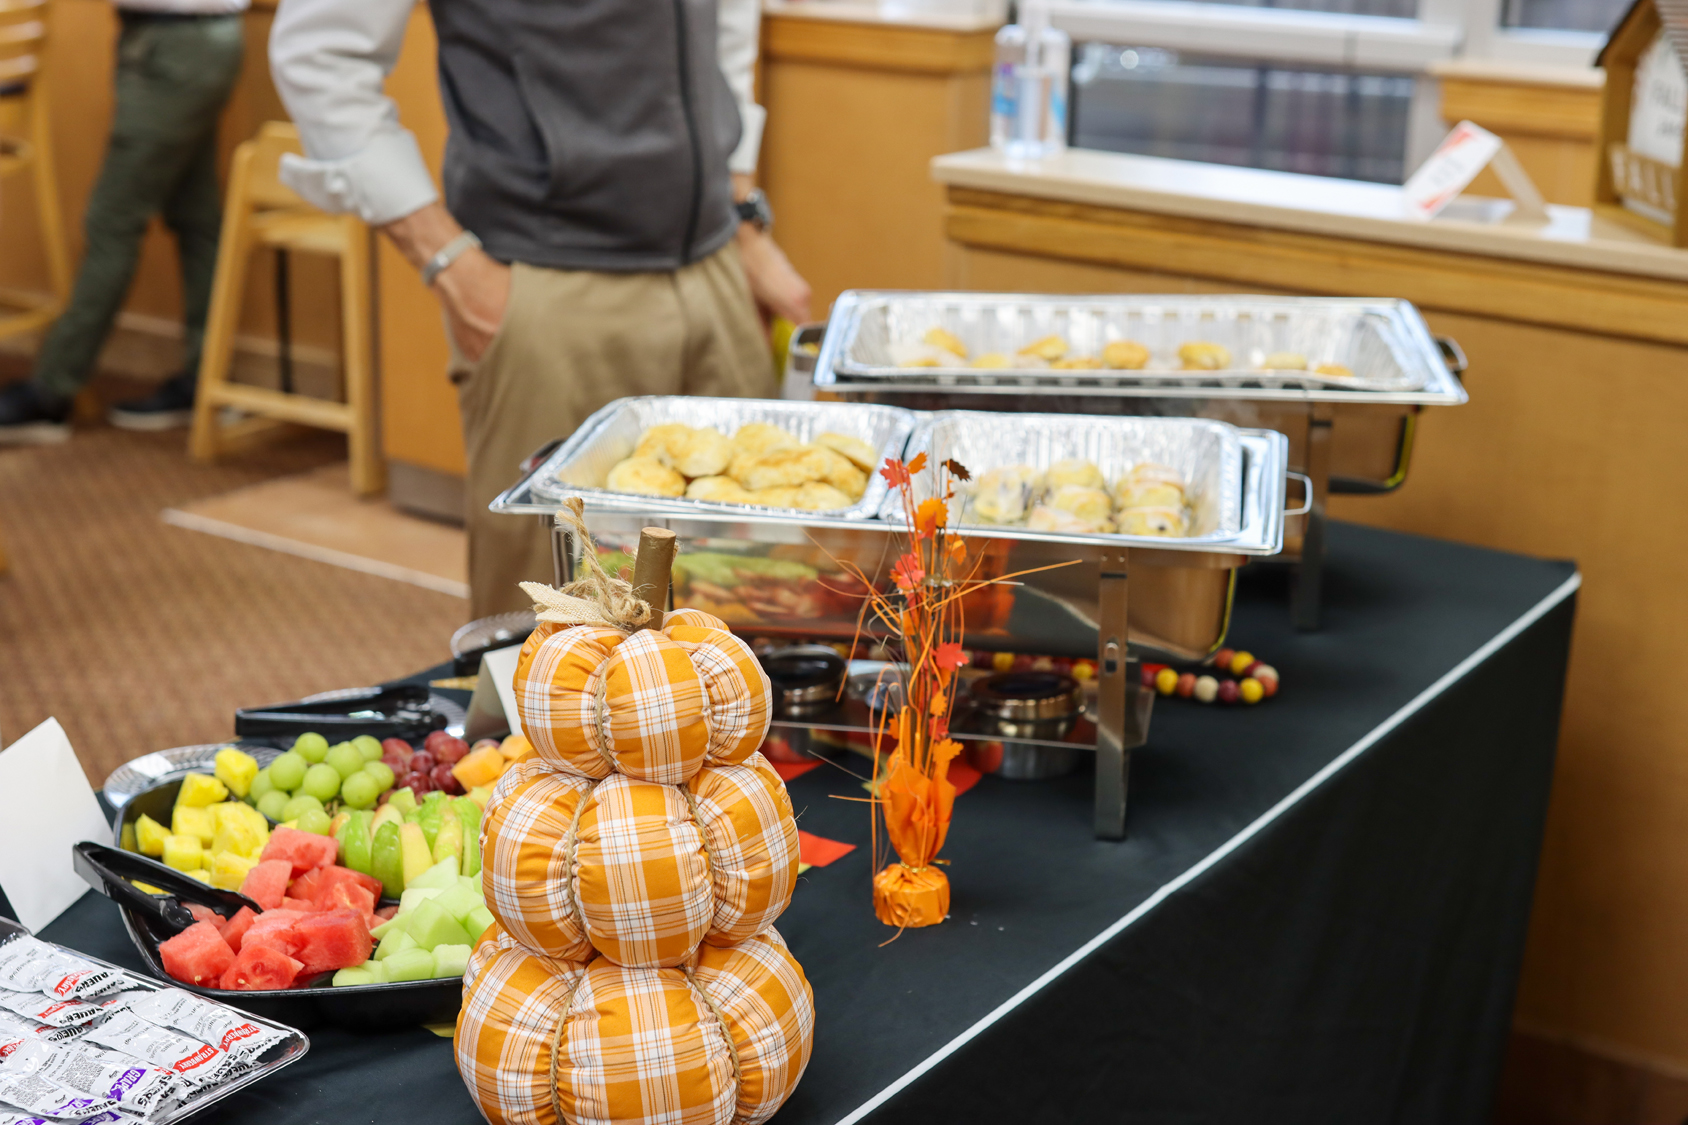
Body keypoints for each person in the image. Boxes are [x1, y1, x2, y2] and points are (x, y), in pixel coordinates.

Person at [269, 0, 811, 619]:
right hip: (552, 291)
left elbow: (727, 19)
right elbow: (320, 50)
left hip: (718, 275)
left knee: (748, 617)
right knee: (558, 638)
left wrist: (740, 211)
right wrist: (447, 259)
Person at [0, 0, 246, 443]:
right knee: (195, 215)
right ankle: (208, 380)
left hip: (180, 45)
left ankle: (51, 390)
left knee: (113, 221)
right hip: (184, 40)